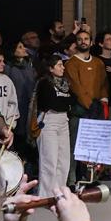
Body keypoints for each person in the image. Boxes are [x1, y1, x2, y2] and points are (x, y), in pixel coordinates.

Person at [33, 54, 75, 195]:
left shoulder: (65, 83)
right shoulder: (44, 83)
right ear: (51, 68)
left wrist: (64, 103)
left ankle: (59, 192)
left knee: (64, 160)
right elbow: (50, 104)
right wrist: (64, 103)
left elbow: (71, 102)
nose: (63, 67)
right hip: (48, 121)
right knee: (49, 160)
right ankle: (46, 195)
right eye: (59, 65)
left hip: (63, 121)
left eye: (62, 64)